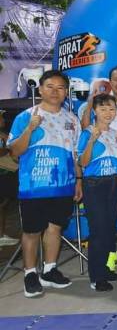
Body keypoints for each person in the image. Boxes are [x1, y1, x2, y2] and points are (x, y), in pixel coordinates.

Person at [8, 70, 81, 298]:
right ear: (40, 89)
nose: (55, 91)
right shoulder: (25, 117)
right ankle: (30, 273)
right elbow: (15, 152)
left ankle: (49, 270)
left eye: (60, 87)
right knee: (32, 231)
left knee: (55, 228)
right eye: (50, 86)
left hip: (63, 185)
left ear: (66, 92)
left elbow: (76, 154)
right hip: (34, 186)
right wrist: (30, 129)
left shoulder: (72, 120)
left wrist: (78, 181)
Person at [78, 94, 117, 291]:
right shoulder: (87, 133)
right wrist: (92, 141)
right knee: (98, 231)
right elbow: (83, 163)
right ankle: (96, 276)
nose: (108, 113)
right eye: (103, 109)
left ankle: (105, 269)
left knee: (109, 230)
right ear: (95, 111)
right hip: (95, 185)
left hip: (114, 184)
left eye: (111, 109)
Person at [0, 109, 19, 247]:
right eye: (1, 117)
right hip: (5, 172)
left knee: (3, 205)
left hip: (9, 172)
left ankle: (1, 235)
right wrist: (9, 147)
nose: (3, 120)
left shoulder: (3, 134)